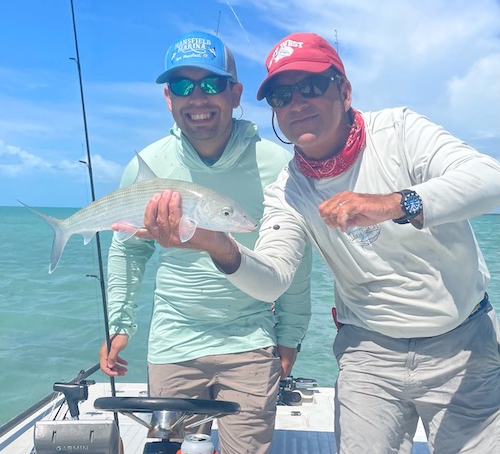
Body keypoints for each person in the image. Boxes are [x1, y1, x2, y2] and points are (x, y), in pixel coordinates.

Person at [134, 32, 500, 453]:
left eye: (311, 86)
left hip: (464, 341)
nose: (297, 104)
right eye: (282, 96)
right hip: (368, 352)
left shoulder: (399, 130)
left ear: (344, 91)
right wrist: (219, 246)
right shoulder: (288, 190)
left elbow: (490, 179)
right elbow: (273, 279)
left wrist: (395, 203)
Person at [99, 30, 312, 454]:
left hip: (251, 339)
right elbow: (128, 248)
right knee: (170, 448)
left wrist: (290, 335)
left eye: (212, 84)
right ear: (168, 98)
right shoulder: (148, 165)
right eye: (182, 86)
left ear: (236, 94)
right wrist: (119, 324)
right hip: (173, 340)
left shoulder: (277, 164)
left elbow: (295, 259)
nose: (197, 97)